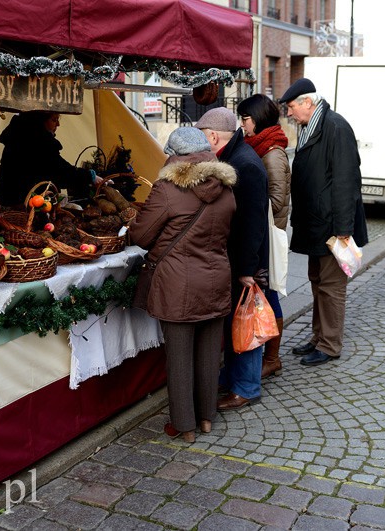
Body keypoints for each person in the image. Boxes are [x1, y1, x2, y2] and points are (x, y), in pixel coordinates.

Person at [128, 127, 237, 441]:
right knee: (207, 354)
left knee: (179, 358)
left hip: (177, 284)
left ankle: (184, 426)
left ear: (174, 156)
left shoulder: (167, 189)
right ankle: (206, 418)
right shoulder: (226, 188)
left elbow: (141, 236)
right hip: (216, 279)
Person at [279, 78, 368, 367]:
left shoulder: (335, 127)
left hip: (332, 227)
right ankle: (318, 337)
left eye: (291, 107)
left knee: (331, 287)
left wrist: (343, 230)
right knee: (318, 283)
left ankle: (330, 344)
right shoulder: (311, 126)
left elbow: (346, 182)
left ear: (307, 102)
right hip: (316, 224)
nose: (289, 114)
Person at [195, 107, 270, 411]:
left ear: (213, 136)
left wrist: (247, 269)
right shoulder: (234, 157)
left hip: (244, 261)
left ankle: (247, 388)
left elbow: (252, 222)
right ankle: (234, 377)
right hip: (236, 258)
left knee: (245, 322)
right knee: (234, 321)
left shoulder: (244, 164)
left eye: (202, 136)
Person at [237, 94, 291, 379]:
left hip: (269, 236)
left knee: (269, 293)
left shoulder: (271, 152)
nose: (242, 124)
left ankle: (272, 357)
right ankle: (267, 354)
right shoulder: (260, 147)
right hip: (264, 232)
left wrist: (249, 201)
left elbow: (278, 200)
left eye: (245, 119)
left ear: (256, 119)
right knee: (266, 293)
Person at [0, 111, 100, 207]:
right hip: (23, 206)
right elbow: (61, 172)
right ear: (39, 121)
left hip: (4, 200)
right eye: (54, 120)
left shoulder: (18, 135)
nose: (58, 124)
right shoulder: (39, 144)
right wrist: (90, 176)